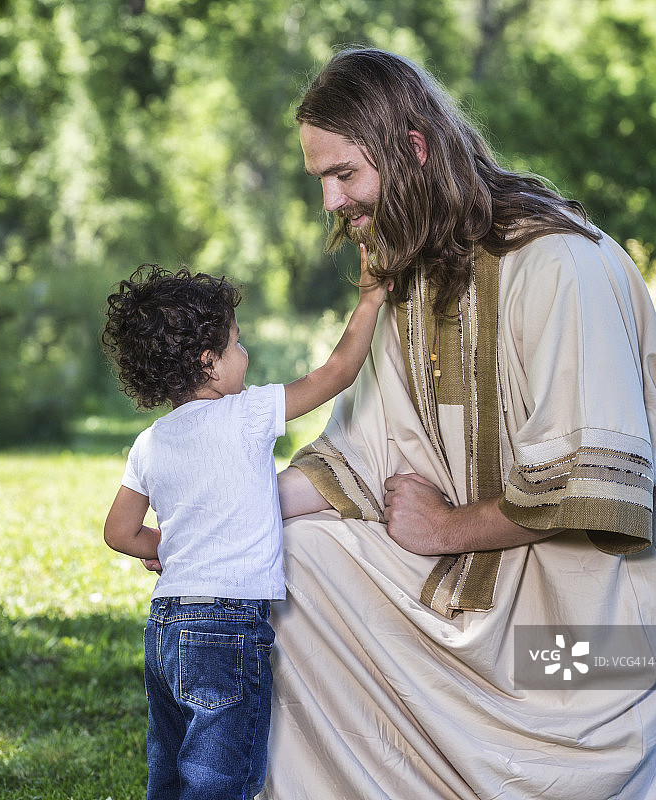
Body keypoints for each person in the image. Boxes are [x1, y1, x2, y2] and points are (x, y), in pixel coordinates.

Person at [255, 48, 656, 800]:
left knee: (559, 784)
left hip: (608, 645)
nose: (329, 202)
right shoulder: (411, 279)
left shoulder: (561, 266)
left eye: (343, 174)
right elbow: (355, 457)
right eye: (321, 179)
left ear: (411, 148)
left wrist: (445, 529)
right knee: (284, 559)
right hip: (483, 599)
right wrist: (221, 510)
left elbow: (590, 492)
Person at [101, 254, 388, 800]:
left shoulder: (151, 441)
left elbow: (119, 531)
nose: (245, 353)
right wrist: (370, 299)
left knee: (169, 771)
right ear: (209, 362)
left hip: (165, 627)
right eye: (236, 343)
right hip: (226, 629)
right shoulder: (249, 414)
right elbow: (336, 374)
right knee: (221, 780)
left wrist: (161, 544)